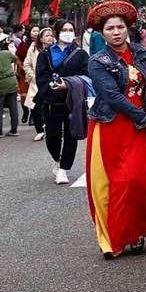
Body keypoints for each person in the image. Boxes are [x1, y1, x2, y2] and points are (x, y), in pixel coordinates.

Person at [84, 0, 146, 258]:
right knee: (110, 184)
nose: (116, 32)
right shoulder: (97, 61)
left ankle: (136, 231)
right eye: (109, 29)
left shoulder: (143, 53)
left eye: (120, 27)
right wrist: (144, 116)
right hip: (111, 126)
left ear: (128, 29)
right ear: (101, 33)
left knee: (138, 182)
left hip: (138, 126)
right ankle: (112, 239)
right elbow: (113, 96)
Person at [34, 19, 89, 184]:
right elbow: (41, 76)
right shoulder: (46, 54)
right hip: (51, 102)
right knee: (52, 136)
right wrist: (52, 86)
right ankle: (57, 160)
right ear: (57, 32)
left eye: (71, 29)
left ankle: (64, 169)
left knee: (71, 136)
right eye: (64, 29)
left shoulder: (80, 54)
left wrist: (68, 84)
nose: (68, 32)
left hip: (73, 101)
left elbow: (87, 76)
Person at [23, 27, 52, 142]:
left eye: (51, 35)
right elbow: (27, 64)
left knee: (49, 108)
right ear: (41, 38)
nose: (50, 37)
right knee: (34, 108)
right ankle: (39, 130)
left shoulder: (55, 49)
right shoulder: (33, 49)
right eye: (47, 35)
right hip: (36, 83)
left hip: (51, 83)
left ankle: (50, 129)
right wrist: (32, 76)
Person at [0, 34, 18, 136]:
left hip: (1, 84)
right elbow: (15, 59)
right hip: (12, 82)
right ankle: (14, 129)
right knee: (13, 107)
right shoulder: (7, 53)